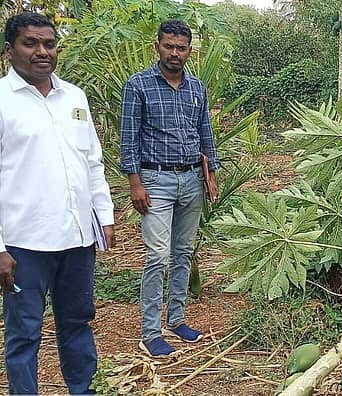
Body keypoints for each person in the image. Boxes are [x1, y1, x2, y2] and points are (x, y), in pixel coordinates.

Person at [0, 12, 116, 394]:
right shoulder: (3, 101)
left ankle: (83, 389)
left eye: (49, 43)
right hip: (23, 244)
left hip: (77, 238)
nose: (41, 51)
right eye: (30, 43)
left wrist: (104, 216)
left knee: (78, 322)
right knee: (24, 333)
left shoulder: (74, 97)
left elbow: (92, 161)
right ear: (9, 51)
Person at [120, 19, 219, 357]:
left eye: (181, 48)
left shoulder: (197, 88)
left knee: (182, 253)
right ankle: (150, 331)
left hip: (192, 179)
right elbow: (128, 139)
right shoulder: (138, 86)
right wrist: (135, 182)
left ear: (190, 51)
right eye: (169, 46)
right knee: (157, 255)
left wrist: (211, 174)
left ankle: (176, 319)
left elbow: (205, 132)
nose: (174, 53)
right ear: (157, 46)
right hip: (156, 181)